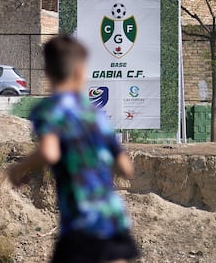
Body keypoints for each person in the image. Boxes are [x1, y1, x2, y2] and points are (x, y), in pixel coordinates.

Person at [8, 35, 140, 263]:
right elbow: (126, 168)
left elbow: (50, 152)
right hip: (112, 220)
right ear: (81, 71)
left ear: (46, 71)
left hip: (81, 223)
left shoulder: (48, 109)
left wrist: (19, 168)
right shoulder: (95, 114)